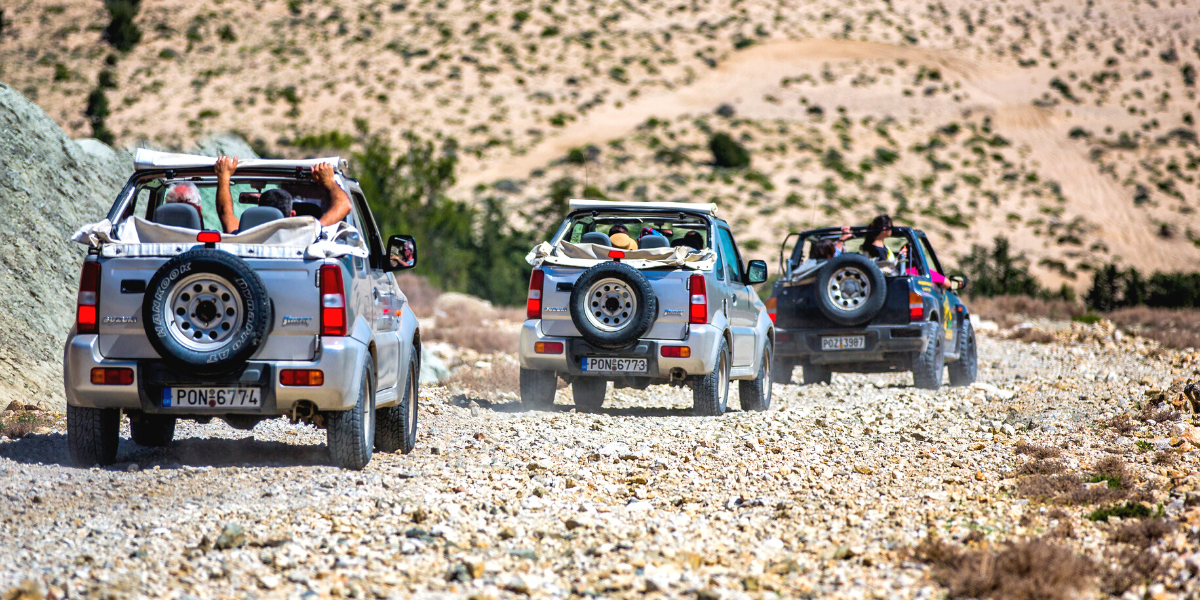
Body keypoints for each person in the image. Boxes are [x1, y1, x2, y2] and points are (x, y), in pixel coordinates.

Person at [214, 156, 352, 234]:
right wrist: (329, 182)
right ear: (292, 214)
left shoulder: (241, 236)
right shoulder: (306, 236)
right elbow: (344, 205)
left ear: (260, 210)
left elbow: (225, 212)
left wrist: (223, 177)